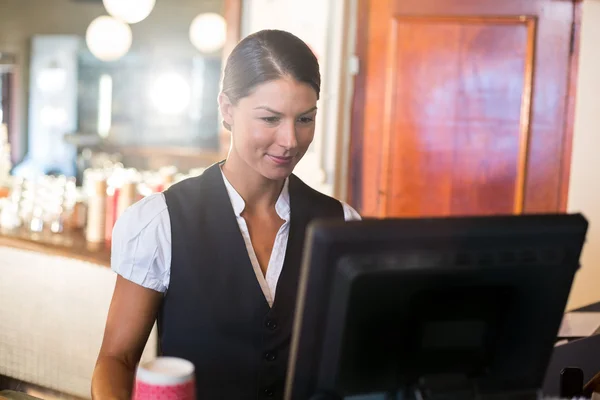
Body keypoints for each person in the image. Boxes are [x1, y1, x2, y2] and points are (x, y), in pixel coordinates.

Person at [91, 29, 360, 400]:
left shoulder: (340, 224)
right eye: (270, 119)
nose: (290, 140)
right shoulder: (162, 221)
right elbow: (116, 359)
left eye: (305, 119)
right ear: (227, 109)